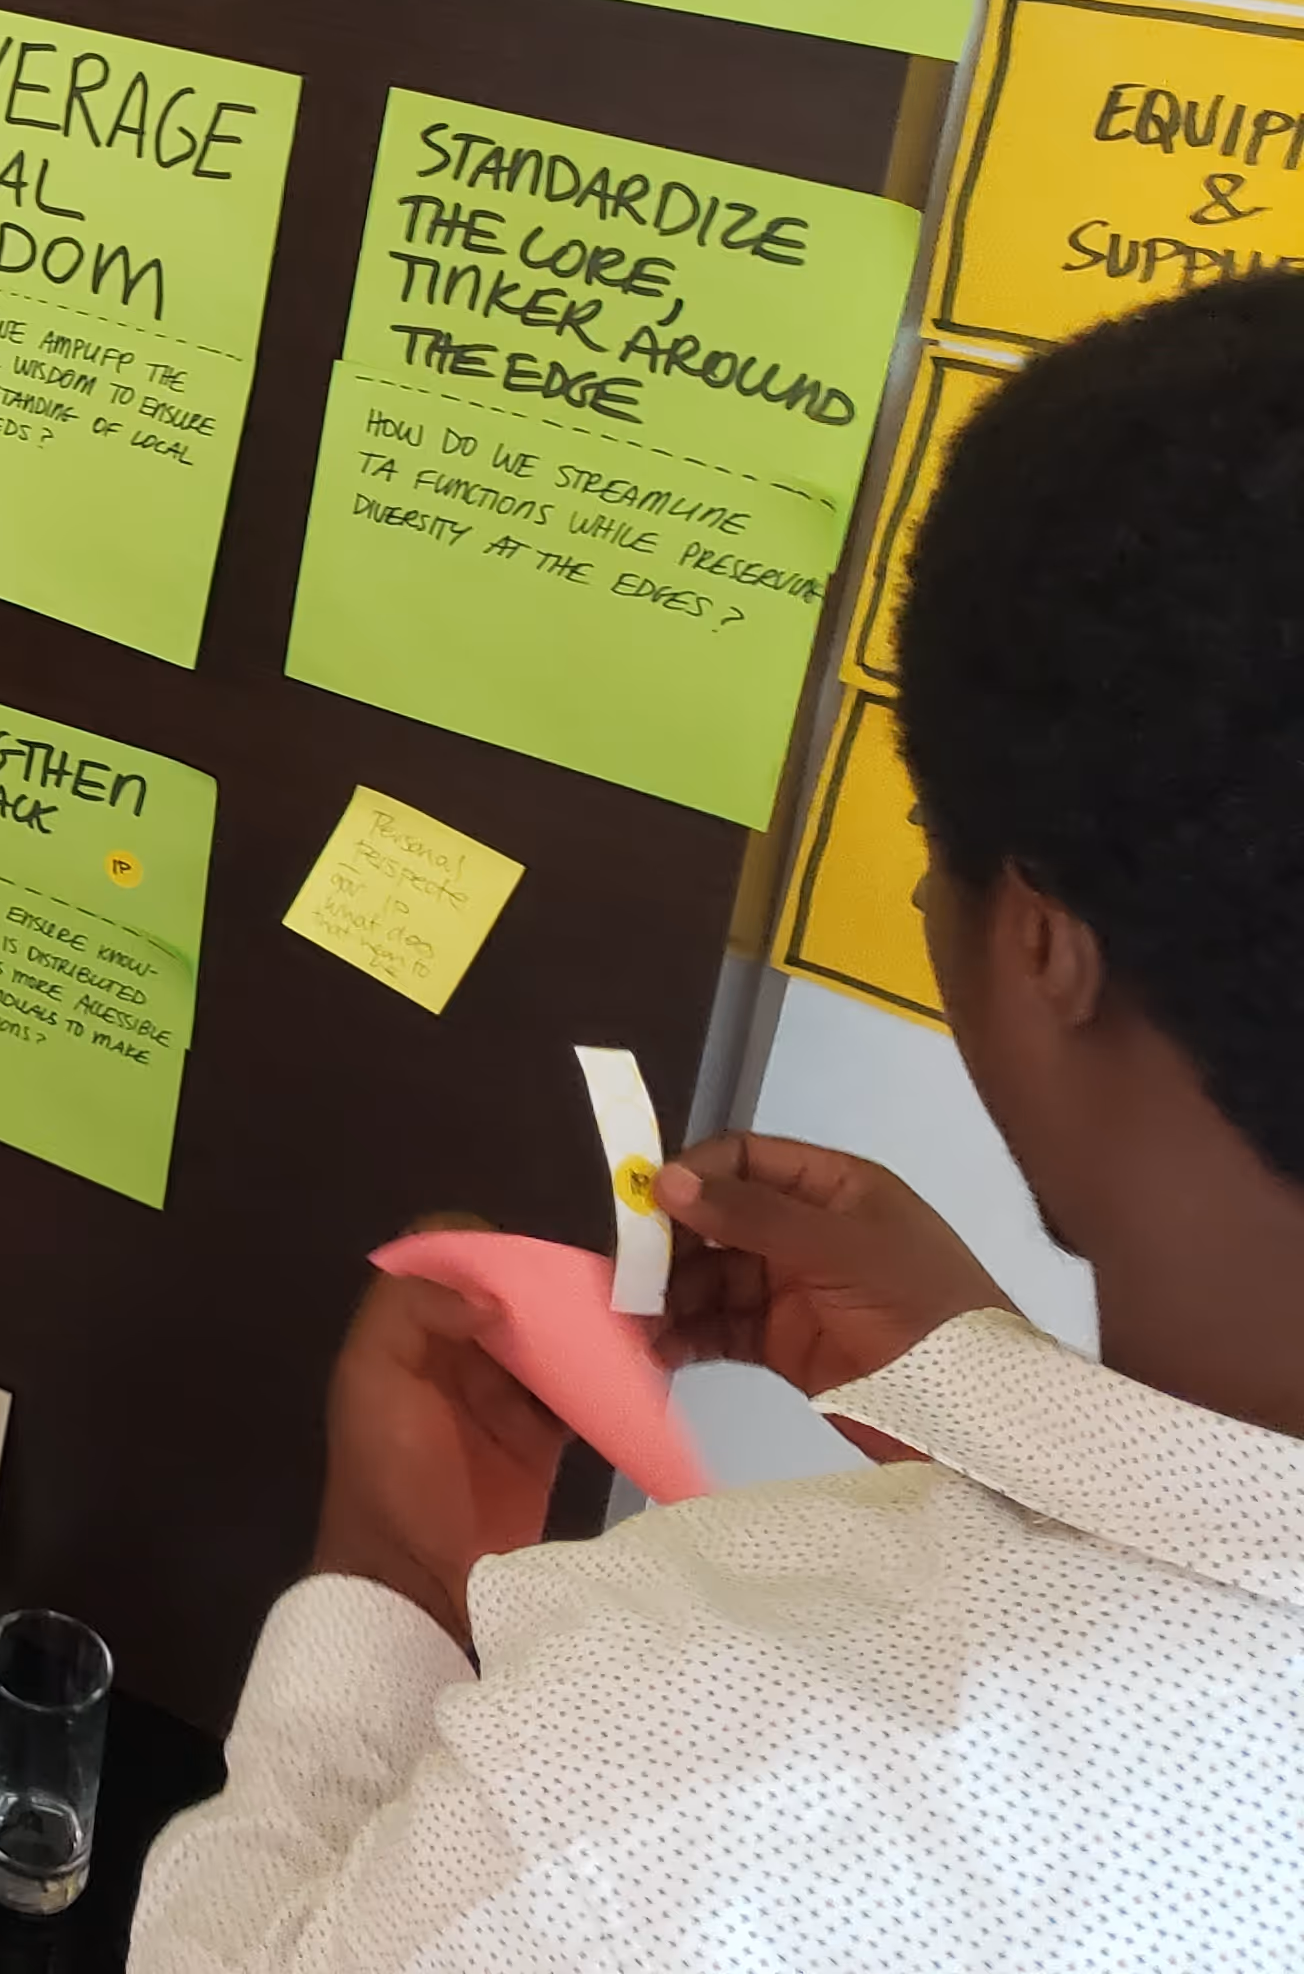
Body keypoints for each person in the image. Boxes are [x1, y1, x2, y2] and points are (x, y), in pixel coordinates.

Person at [134, 267, 1304, 1970]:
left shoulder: (695, 1787)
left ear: (1043, 941)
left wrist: (399, 1564)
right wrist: (990, 1399)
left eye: (930, 844)